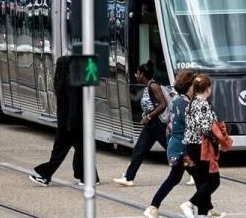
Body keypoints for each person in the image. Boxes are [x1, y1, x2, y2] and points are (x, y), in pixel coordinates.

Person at [29, 56, 98, 186]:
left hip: (69, 123)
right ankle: (91, 177)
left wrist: (70, 124)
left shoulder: (68, 81)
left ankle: (45, 175)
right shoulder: (70, 79)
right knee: (82, 150)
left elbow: (73, 104)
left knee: (58, 152)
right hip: (74, 122)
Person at [143, 71, 199, 218]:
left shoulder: (177, 101)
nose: (197, 88)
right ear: (188, 86)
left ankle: (153, 207)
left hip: (176, 147)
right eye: (195, 85)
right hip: (183, 148)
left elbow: (170, 125)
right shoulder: (185, 104)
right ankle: (204, 209)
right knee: (202, 179)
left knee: (175, 178)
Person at [113, 61, 168, 186]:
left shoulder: (153, 86)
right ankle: (129, 178)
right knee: (139, 150)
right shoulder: (147, 86)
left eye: (137, 73)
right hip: (151, 125)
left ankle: (194, 172)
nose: (136, 75)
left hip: (156, 124)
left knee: (171, 149)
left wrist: (149, 116)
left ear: (143, 74)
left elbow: (163, 104)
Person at [180, 74, 222, 218]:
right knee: (213, 180)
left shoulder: (191, 104)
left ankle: (203, 215)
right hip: (202, 146)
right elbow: (205, 127)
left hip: (192, 146)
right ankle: (189, 204)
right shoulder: (203, 105)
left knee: (204, 180)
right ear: (207, 89)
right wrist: (218, 135)